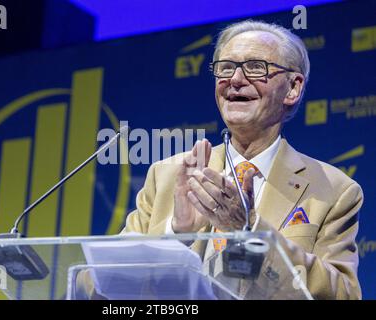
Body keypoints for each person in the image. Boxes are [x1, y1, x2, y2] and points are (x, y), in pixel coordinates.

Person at [122, 20, 363, 300]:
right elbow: (95, 283)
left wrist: (249, 231)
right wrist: (177, 234)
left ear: (292, 88)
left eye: (255, 67)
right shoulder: (166, 176)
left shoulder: (333, 190)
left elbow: (343, 295)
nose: (235, 80)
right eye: (225, 68)